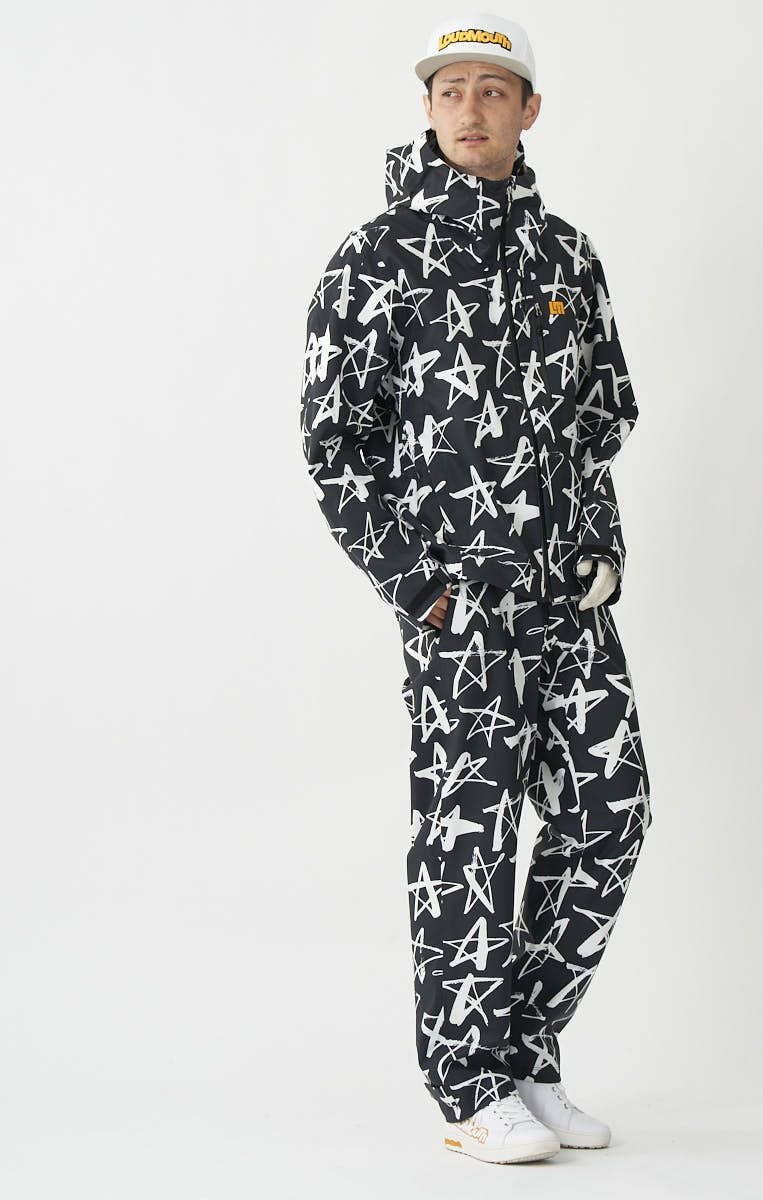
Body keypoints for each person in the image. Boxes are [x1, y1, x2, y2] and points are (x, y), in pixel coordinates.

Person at [299, 11, 653, 1165]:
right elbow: (336, 446)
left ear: (527, 110)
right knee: (470, 840)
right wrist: (421, 588)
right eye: (449, 89)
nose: (469, 107)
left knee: (610, 813)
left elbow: (600, 421)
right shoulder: (376, 258)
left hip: (566, 602)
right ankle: (468, 1087)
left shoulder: (567, 258)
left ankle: (523, 1050)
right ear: (427, 107)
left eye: (492, 90)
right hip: (459, 610)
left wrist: (601, 551)